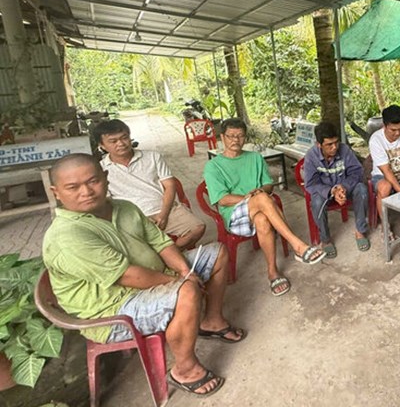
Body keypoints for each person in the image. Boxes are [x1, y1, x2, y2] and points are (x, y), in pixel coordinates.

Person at [43, 153, 242, 398]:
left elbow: (160, 242)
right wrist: (181, 281)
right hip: (113, 309)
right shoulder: (67, 235)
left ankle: (211, 322)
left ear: (105, 177)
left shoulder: (124, 207)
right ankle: (185, 369)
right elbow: (128, 277)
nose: (86, 192)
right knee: (187, 291)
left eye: (93, 181)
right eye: (73, 187)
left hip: (155, 277)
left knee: (217, 253)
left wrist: (183, 271)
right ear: (56, 192)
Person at [203, 118, 325, 297]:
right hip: (234, 214)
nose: (235, 140)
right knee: (261, 199)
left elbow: (268, 185)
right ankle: (298, 246)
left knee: (262, 219)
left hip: (260, 210)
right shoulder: (213, 166)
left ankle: (273, 272)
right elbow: (222, 199)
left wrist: (261, 191)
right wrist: (250, 198)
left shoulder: (255, 158)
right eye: (231, 136)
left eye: (240, 136)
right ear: (222, 137)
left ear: (245, 137)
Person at [95, 119, 206, 249]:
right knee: (132, 249)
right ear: (102, 145)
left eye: (124, 138)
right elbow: (106, 201)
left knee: (198, 227)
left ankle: (172, 255)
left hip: (165, 209)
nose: (121, 144)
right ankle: (169, 257)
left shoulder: (153, 157)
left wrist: (163, 215)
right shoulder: (100, 169)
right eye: (113, 141)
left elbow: (170, 186)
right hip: (132, 218)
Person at [303, 121, 370, 257]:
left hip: (345, 188)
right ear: (319, 144)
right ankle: (325, 240)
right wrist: (332, 191)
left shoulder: (345, 150)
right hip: (325, 193)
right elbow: (311, 184)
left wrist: (343, 187)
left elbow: (357, 172)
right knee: (316, 202)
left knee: (362, 190)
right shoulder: (311, 156)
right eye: (329, 144)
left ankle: (360, 231)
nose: (334, 147)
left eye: (336, 142)